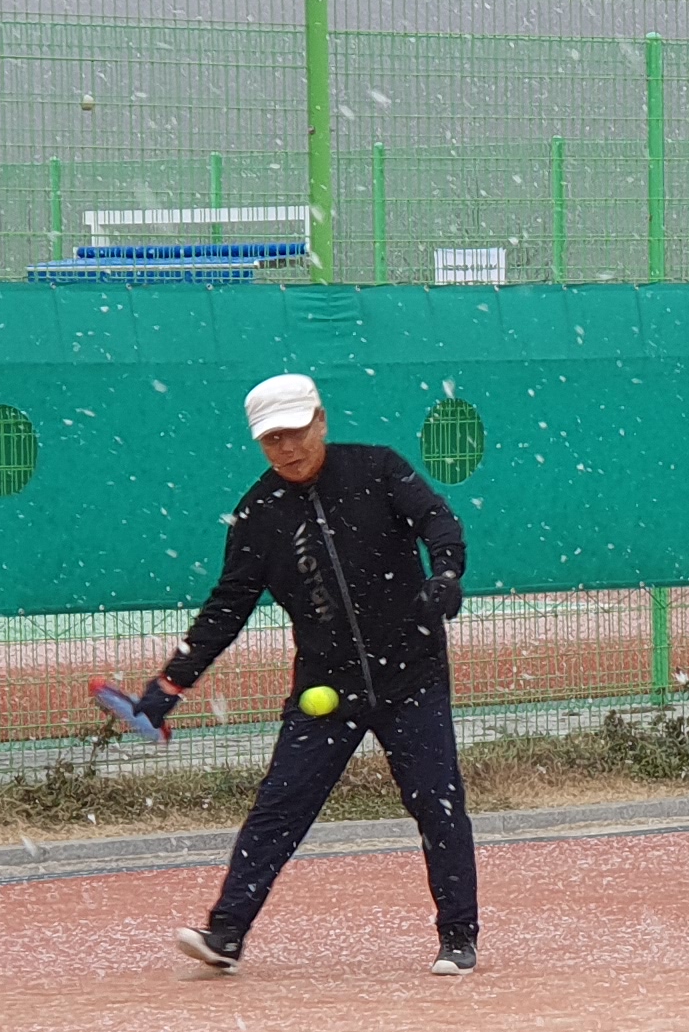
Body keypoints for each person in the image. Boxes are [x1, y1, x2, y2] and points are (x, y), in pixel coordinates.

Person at [123, 373, 482, 976]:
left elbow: (440, 524)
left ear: (320, 420)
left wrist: (444, 577)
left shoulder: (377, 469)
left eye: (295, 433)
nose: (287, 449)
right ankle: (226, 936)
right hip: (326, 687)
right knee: (279, 808)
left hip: (412, 676)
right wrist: (170, 685)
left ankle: (458, 935)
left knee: (437, 803)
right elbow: (227, 606)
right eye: (271, 441)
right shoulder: (258, 512)